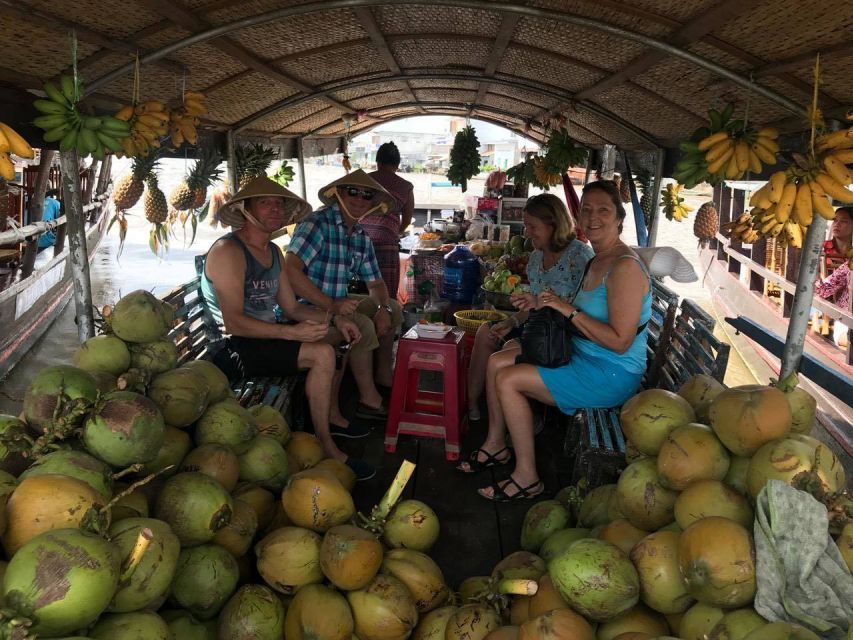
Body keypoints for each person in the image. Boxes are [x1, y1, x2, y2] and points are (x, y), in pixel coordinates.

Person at [472, 180, 652, 501]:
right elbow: (578, 313)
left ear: (619, 218)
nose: (593, 217)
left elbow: (620, 342)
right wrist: (539, 303)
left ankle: (526, 477)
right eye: (586, 210)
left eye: (603, 210)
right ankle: (498, 446)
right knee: (500, 365)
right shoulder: (598, 259)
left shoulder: (624, 267)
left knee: (508, 379)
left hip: (611, 372)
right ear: (577, 216)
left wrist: (565, 308)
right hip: (583, 355)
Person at [200, 177, 374, 481]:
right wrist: (291, 333)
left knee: (335, 341)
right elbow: (233, 323)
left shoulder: (272, 252)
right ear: (245, 209)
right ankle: (326, 447)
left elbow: (292, 308)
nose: (275, 209)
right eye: (265, 203)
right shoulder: (229, 250)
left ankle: (319, 428)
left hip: (261, 340)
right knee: (322, 354)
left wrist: (334, 319)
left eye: (279, 203)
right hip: (230, 349)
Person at [463, 193, 593, 429]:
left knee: (505, 353)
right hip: (536, 328)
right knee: (486, 332)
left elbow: (583, 310)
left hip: (560, 337)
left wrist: (540, 306)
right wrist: (511, 322)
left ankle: (524, 419)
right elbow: (532, 306)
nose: (527, 232)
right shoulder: (535, 258)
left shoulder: (580, 256)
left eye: (533, 226)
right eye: (526, 226)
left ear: (553, 224)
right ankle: (471, 406)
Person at [285, 169, 404, 421]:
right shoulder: (317, 224)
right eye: (353, 192)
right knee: (361, 324)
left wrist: (383, 309)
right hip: (303, 307)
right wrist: (331, 304)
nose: (360, 199)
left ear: (373, 203)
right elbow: (290, 271)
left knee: (393, 307)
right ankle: (368, 399)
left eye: (367, 195)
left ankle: (383, 375)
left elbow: (376, 283)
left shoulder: (360, 236)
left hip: (336, 302)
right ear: (338, 194)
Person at [364, 141, 415, 301]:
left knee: (357, 289)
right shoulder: (405, 186)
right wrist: (395, 233)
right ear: (397, 165)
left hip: (358, 238)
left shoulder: (363, 180)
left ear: (377, 162)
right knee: (385, 290)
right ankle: (385, 311)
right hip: (386, 243)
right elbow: (407, 219)